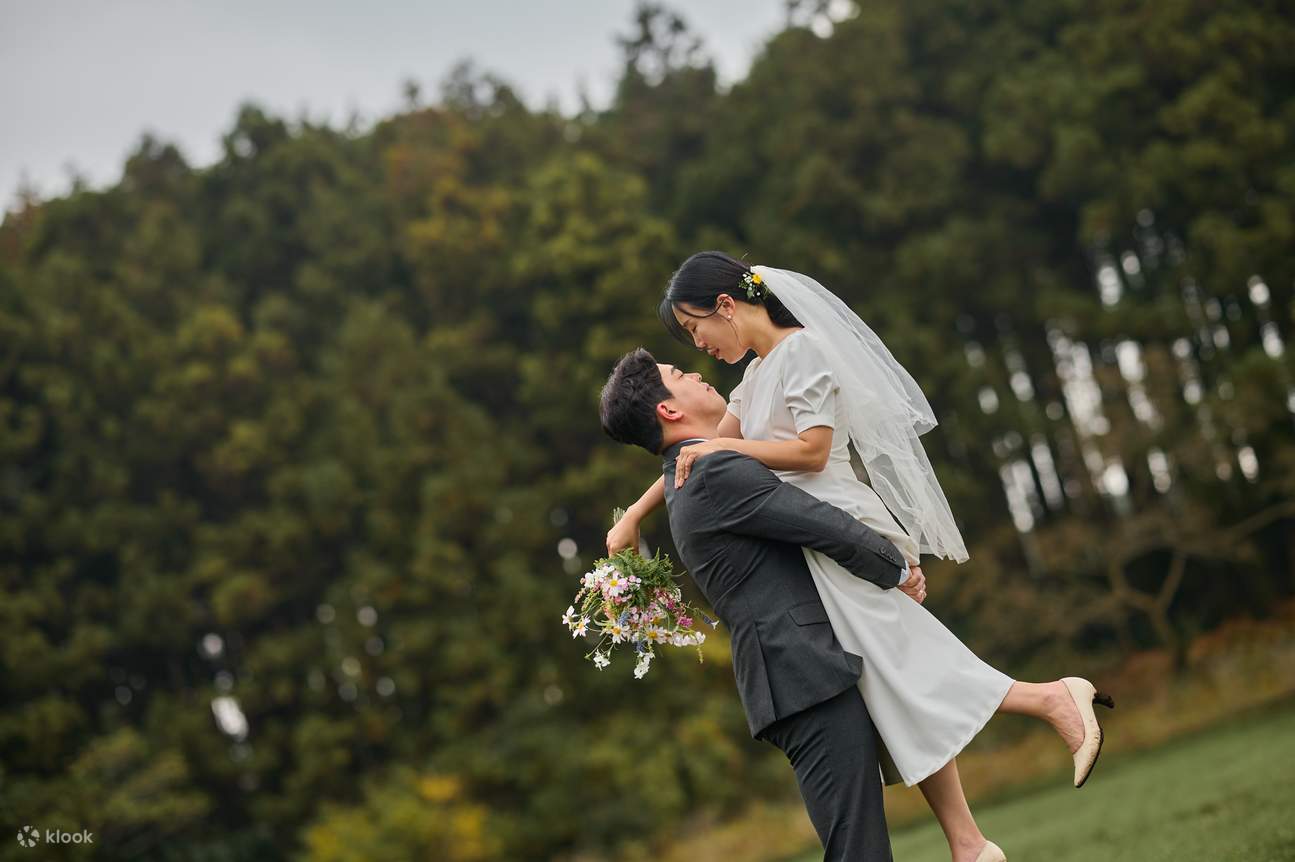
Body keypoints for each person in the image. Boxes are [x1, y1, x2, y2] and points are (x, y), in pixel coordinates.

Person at [606, 252, 1114, 862]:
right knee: (890, 679)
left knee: (905, 664)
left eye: (695, 330)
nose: (700, 349)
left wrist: (721, 452)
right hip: (822, 540)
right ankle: (969, 842)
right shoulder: (756, 377)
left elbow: (810, 454)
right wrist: (637, 512)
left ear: (725, 306)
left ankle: (1049, 702)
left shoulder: (801, 353)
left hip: (841, 520)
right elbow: (698, 453)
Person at [600, 347, 909, 861]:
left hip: (796, 675)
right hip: (800, 676)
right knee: (858, 849)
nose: (697, 373)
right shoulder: (713, 473)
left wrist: (633, 511)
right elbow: (822, 524)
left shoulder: (695, 468)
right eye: (680, 375)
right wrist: (897, 567)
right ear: (669, 411)